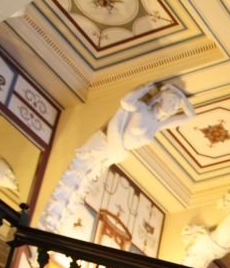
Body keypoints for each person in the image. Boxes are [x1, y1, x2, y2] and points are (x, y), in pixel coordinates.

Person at [41, 81, 195, 233]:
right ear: (161, 99)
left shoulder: (157, 125)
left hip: (115, 153)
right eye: (172, 102)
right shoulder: (142, 109)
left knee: (84, 181)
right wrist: (143, 88)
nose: (174, 108)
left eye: (176, 106)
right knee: (76, 176)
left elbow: (189, 115)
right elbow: (125, 102)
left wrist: (180, 94)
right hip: (106, 143)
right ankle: (50, 219)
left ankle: (56, 221)